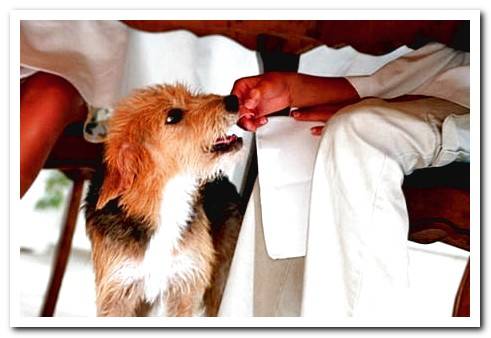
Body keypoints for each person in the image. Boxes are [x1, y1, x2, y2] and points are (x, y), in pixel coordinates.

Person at [231, 42, 470, 317]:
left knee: (359, 132)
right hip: (453, 78)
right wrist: (292, 88)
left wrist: (377, 104)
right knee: (298, 139)